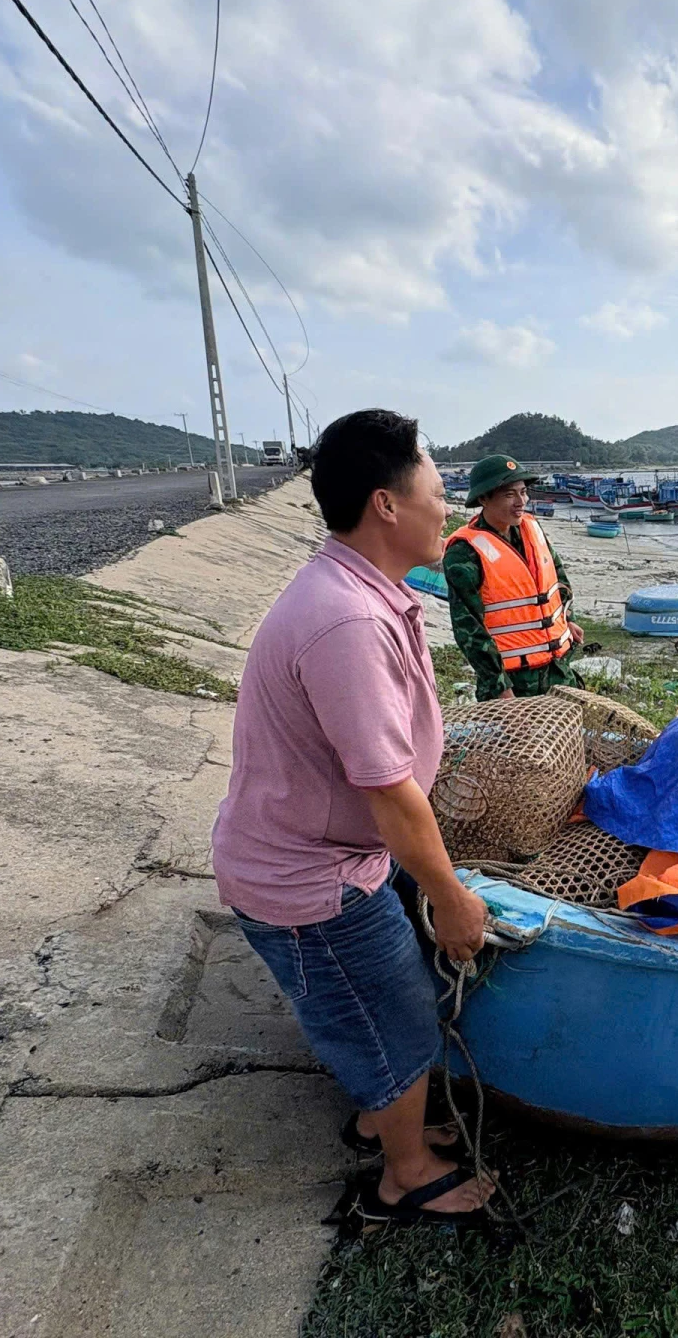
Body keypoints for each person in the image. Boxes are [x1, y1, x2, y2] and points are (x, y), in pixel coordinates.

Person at [211, 409, 494, 1228]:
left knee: (381, 1003)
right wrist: (448, 895)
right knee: (393, 1016)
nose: (451, 509)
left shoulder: (357, 589)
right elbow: (389, 789)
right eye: (440, 493)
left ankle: (384, 1114)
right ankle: (404, 1174)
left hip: (320, 851)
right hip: (311, 879)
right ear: (387, 506)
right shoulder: (347, 622)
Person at [442, 454, 583, 699]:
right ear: (483, 498)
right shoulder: (464, 553)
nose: (521, 501)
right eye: (510, 494)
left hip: (558, 671)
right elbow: (469, 629)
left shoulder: (533, 529)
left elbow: (558, 581)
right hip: (514, 682)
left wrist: (567, 619)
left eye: (523, 492)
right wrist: (499, 686)